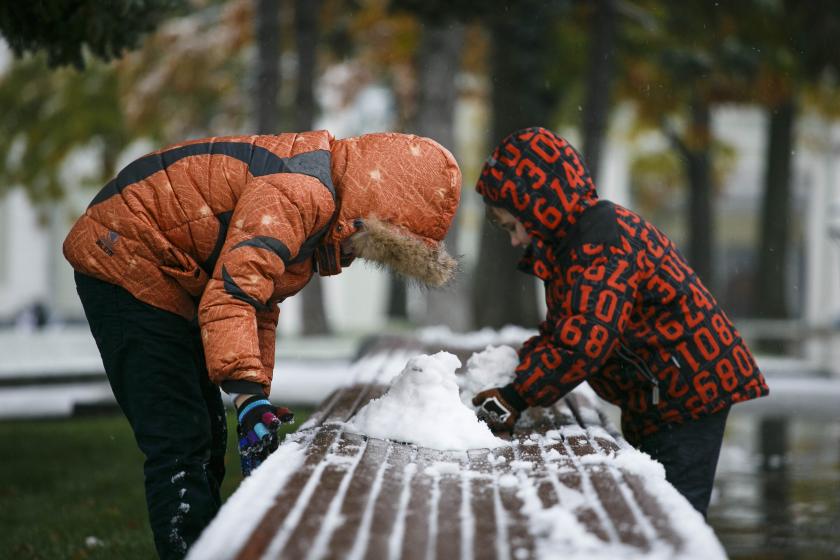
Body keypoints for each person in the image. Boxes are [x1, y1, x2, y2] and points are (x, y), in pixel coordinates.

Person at [63, 130, 461, 559]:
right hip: (124, 257)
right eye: (371, 245)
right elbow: (233, 294)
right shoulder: (298, 194)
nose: (358, 255)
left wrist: (255, 399)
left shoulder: (315, 205)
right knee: (178, 438)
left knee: (207, 434)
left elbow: (258, 303)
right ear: (372, 208)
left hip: (169, 273)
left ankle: (208, 546)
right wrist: (247, 394)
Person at [470, 126, 768, 517]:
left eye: (513, 226)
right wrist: (518, 376)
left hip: (686, 393)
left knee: (673, 516)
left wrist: (513, 398)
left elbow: (583, 342)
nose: (514, 241)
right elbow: (565, 331)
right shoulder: (575, 242)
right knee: (651, 505)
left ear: (539, 204)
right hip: (657, 392)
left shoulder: (599, 244)